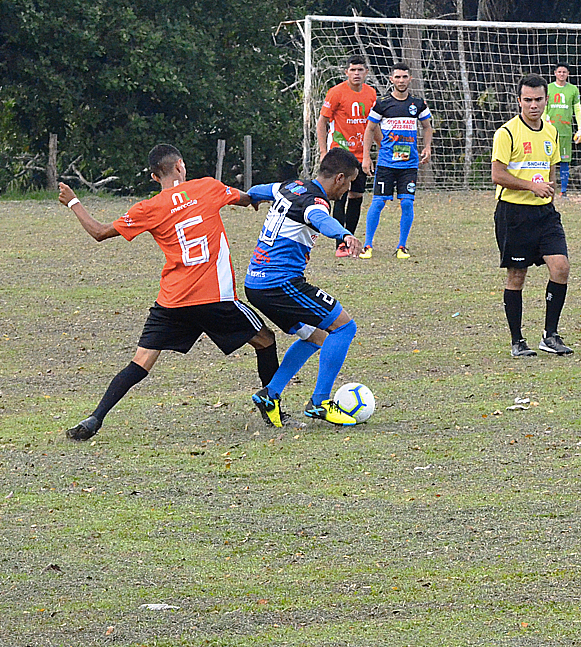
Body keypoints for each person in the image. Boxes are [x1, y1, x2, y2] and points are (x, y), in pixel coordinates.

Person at [59, 144, 292, 440]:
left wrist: (73, 202)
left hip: (173, 300)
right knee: (265, 340)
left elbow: (99, 232)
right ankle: (273, 412)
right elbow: (247, 198)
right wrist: (260, 198)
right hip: (214, 297)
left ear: (155, 177)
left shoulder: (148, 209)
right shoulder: (208, 187)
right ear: (180, 165)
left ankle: (95, 418)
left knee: (141, 361)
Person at [245, 148, 364, 426]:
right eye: (348, 184)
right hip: (280, 283)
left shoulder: (289, 186)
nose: (347, 191)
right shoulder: (316, 202)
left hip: (256, 283)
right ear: (339, 178)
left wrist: (249, 198)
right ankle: (319, 403)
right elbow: (319, 218)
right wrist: (344, 234)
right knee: (344, 327)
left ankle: (270, 394)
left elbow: (260, 190)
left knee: (317, 336)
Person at [491, 75, 574, 357]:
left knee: (561, 267)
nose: (533, 105)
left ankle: (550, 335)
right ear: (519, 101)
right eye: (528, 100)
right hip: (514, 213)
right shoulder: (507, 133)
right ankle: (517, 341)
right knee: (517, 276)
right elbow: (497, 175)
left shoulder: (550, 131)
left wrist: (548, 187)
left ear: (546, 100)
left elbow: (552, 166)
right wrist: (531, 186)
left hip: (545, 213)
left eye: (538, 99)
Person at [359, 62, 433, 260]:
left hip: (409, 164)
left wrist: (427, 147)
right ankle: (367, 245)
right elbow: (369, 129)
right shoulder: (382, 103)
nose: (401, 81)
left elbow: (427, 127)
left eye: (404, 77)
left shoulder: (418, 103)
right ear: (391, 79)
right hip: (386, 163)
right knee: (378, 202)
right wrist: (366, 156)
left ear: (410, 79)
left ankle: (402, 246)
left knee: (407, 203)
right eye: (397, 77)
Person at [316, 55, 377, 258]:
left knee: (357, 198)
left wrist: (381, 148)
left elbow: (372, 125)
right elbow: (322, 122)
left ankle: (350, 240)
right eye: (353, 70)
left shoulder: (371, 94)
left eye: (360, 70)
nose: (357, 74)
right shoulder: (336, 92)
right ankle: (340, 244)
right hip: (341, 155)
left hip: (362, 156)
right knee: (339, 197)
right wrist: (324, 152)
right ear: (346, 72)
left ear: (366, 72)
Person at [544, 63, 581, 197]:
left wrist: (580, 128)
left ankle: (563, 191)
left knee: (564, 162)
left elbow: (577, 109)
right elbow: (544, 108)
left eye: (564, 72)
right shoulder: (548, 88)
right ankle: (546, 189)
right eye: (559, 72)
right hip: (549, 132)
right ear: (555, 73)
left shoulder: (573, 89)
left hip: (566, 131)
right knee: (547, 161)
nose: (562, 74)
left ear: (568, 74)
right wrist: (544, 122)